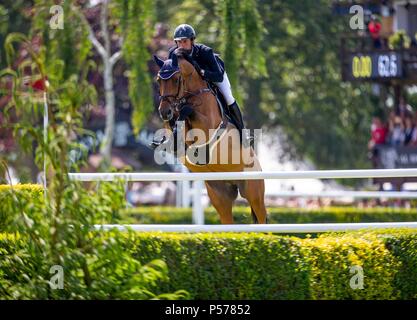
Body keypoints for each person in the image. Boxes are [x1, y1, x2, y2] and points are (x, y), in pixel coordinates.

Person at [167, 24, 251, 146]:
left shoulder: (205, 52)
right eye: (178, 42)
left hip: (213, 75)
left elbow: (218, 76)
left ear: (192, 40)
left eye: (184, 41)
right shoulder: (173, 54)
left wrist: (202, 72)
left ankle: (243, 134)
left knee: (228, 98)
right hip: (189, 83)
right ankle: (171, 137)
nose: (181, 45)